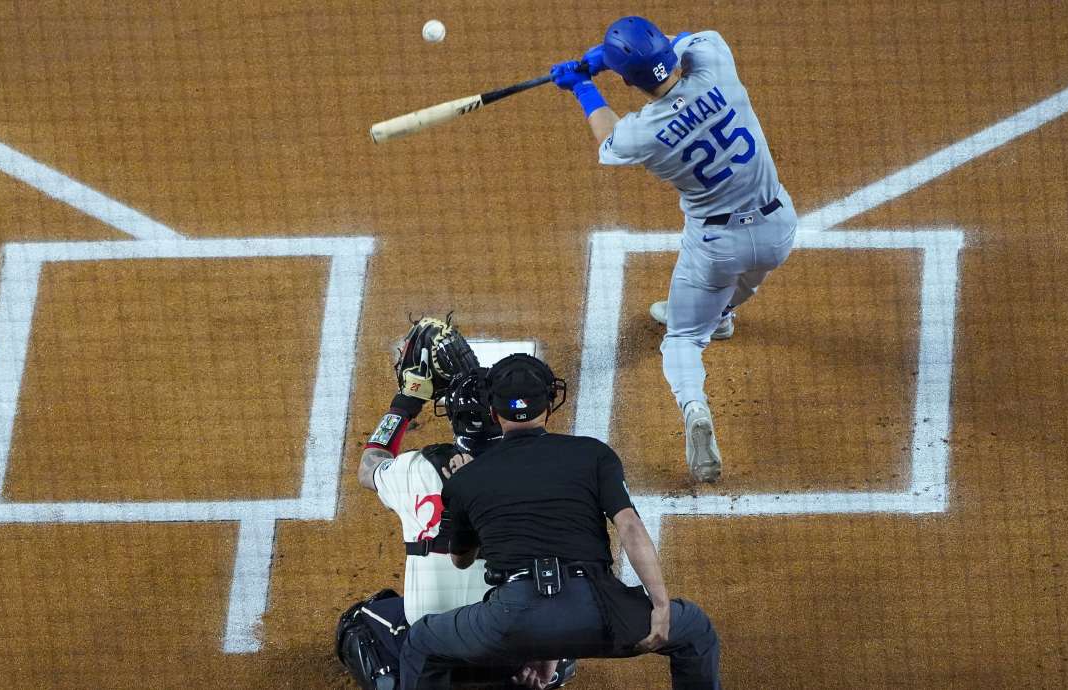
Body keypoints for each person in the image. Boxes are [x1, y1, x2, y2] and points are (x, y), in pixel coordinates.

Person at [550, 17, 800, 483]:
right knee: (741, 280)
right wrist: (606, 57)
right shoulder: (716, 62)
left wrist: (583, 85)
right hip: (776, 232)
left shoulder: (641, 135)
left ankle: (695, 408)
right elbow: (684, 40)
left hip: (716, 247)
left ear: (627, 80)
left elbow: (607, 137)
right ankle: (721, 316)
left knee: (683, 337)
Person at [398, 354, 721, 689]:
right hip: (601, 614)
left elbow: (461, 560)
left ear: (494, 413)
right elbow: (630, 528)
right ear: (549, 406)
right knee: (695, 629)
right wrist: (660, 603)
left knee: (421, 642)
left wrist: (467, 495)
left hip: (512, 621)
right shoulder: (593, 454)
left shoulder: (466, 479)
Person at [337, 316, 574, 689]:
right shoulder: (546, 480)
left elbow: (370, 465)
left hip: (433, 657)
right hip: (505, 655)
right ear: (502, 415)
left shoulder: (415, 468)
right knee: (561, 628)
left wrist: (407, 400)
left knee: (362, 620)